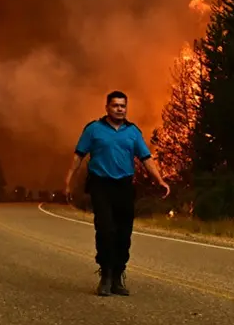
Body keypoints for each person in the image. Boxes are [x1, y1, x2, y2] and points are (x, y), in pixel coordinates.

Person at [64, 90, 170, 297]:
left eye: (123, 106)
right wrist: (67, 182)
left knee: (123, 233)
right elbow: (78, 157)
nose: (119, 109)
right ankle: (106, 275)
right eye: (115, 105)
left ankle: (118, 276)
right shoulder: (93, 129)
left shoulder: (132, 132)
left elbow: (146, 158)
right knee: (105, 230)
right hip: (100, 185)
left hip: (124, 186)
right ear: (107, 107)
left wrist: (160, 180)